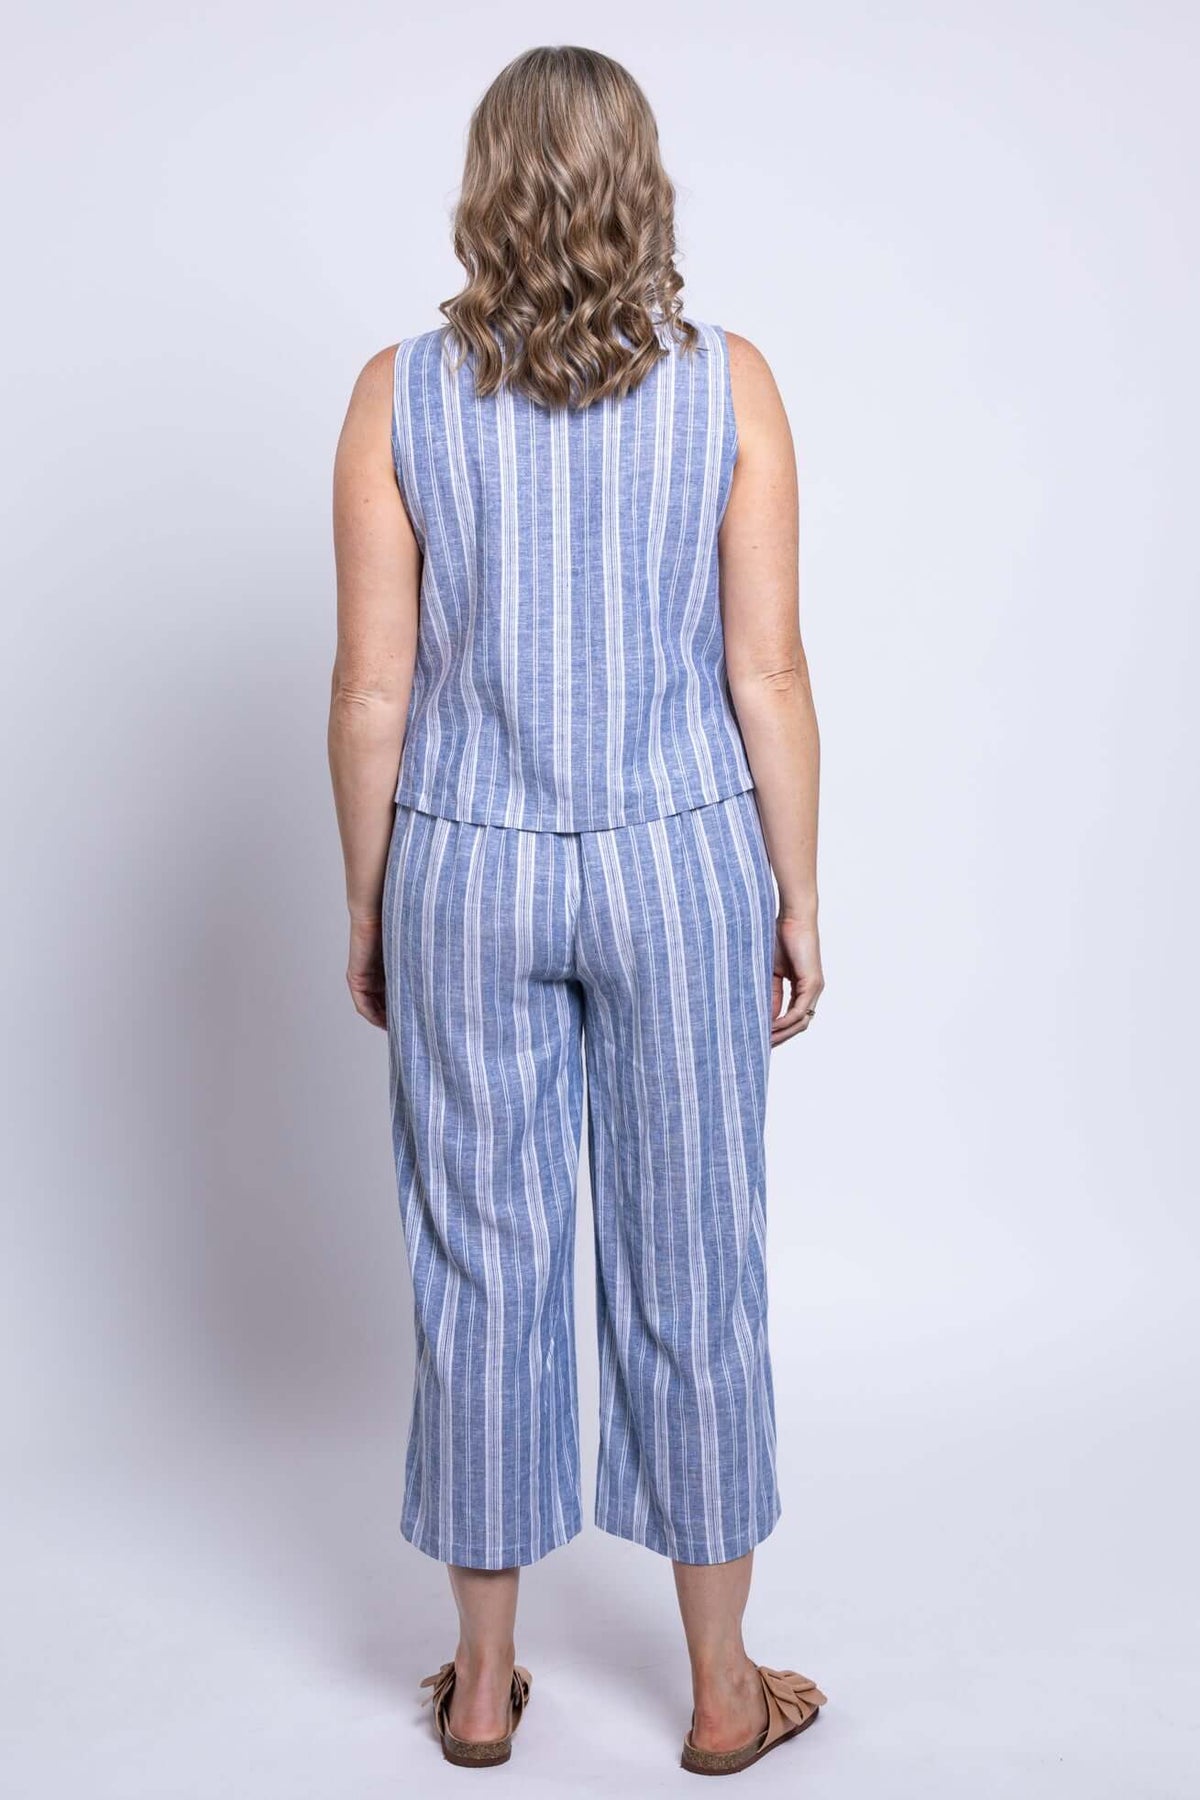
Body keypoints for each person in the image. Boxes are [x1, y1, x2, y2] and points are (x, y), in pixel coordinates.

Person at [328, 43, 826, 1778]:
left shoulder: (395, 395)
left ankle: (478, 1689)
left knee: (482, 1261)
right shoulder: (731, 387)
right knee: (697, 1257)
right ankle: (718, 1691)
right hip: (681, 862)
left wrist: (373, 897)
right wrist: (802, 894)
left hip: (467, 859)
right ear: (643, 182)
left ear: (486, 186)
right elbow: (763, 667)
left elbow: (373, 694)